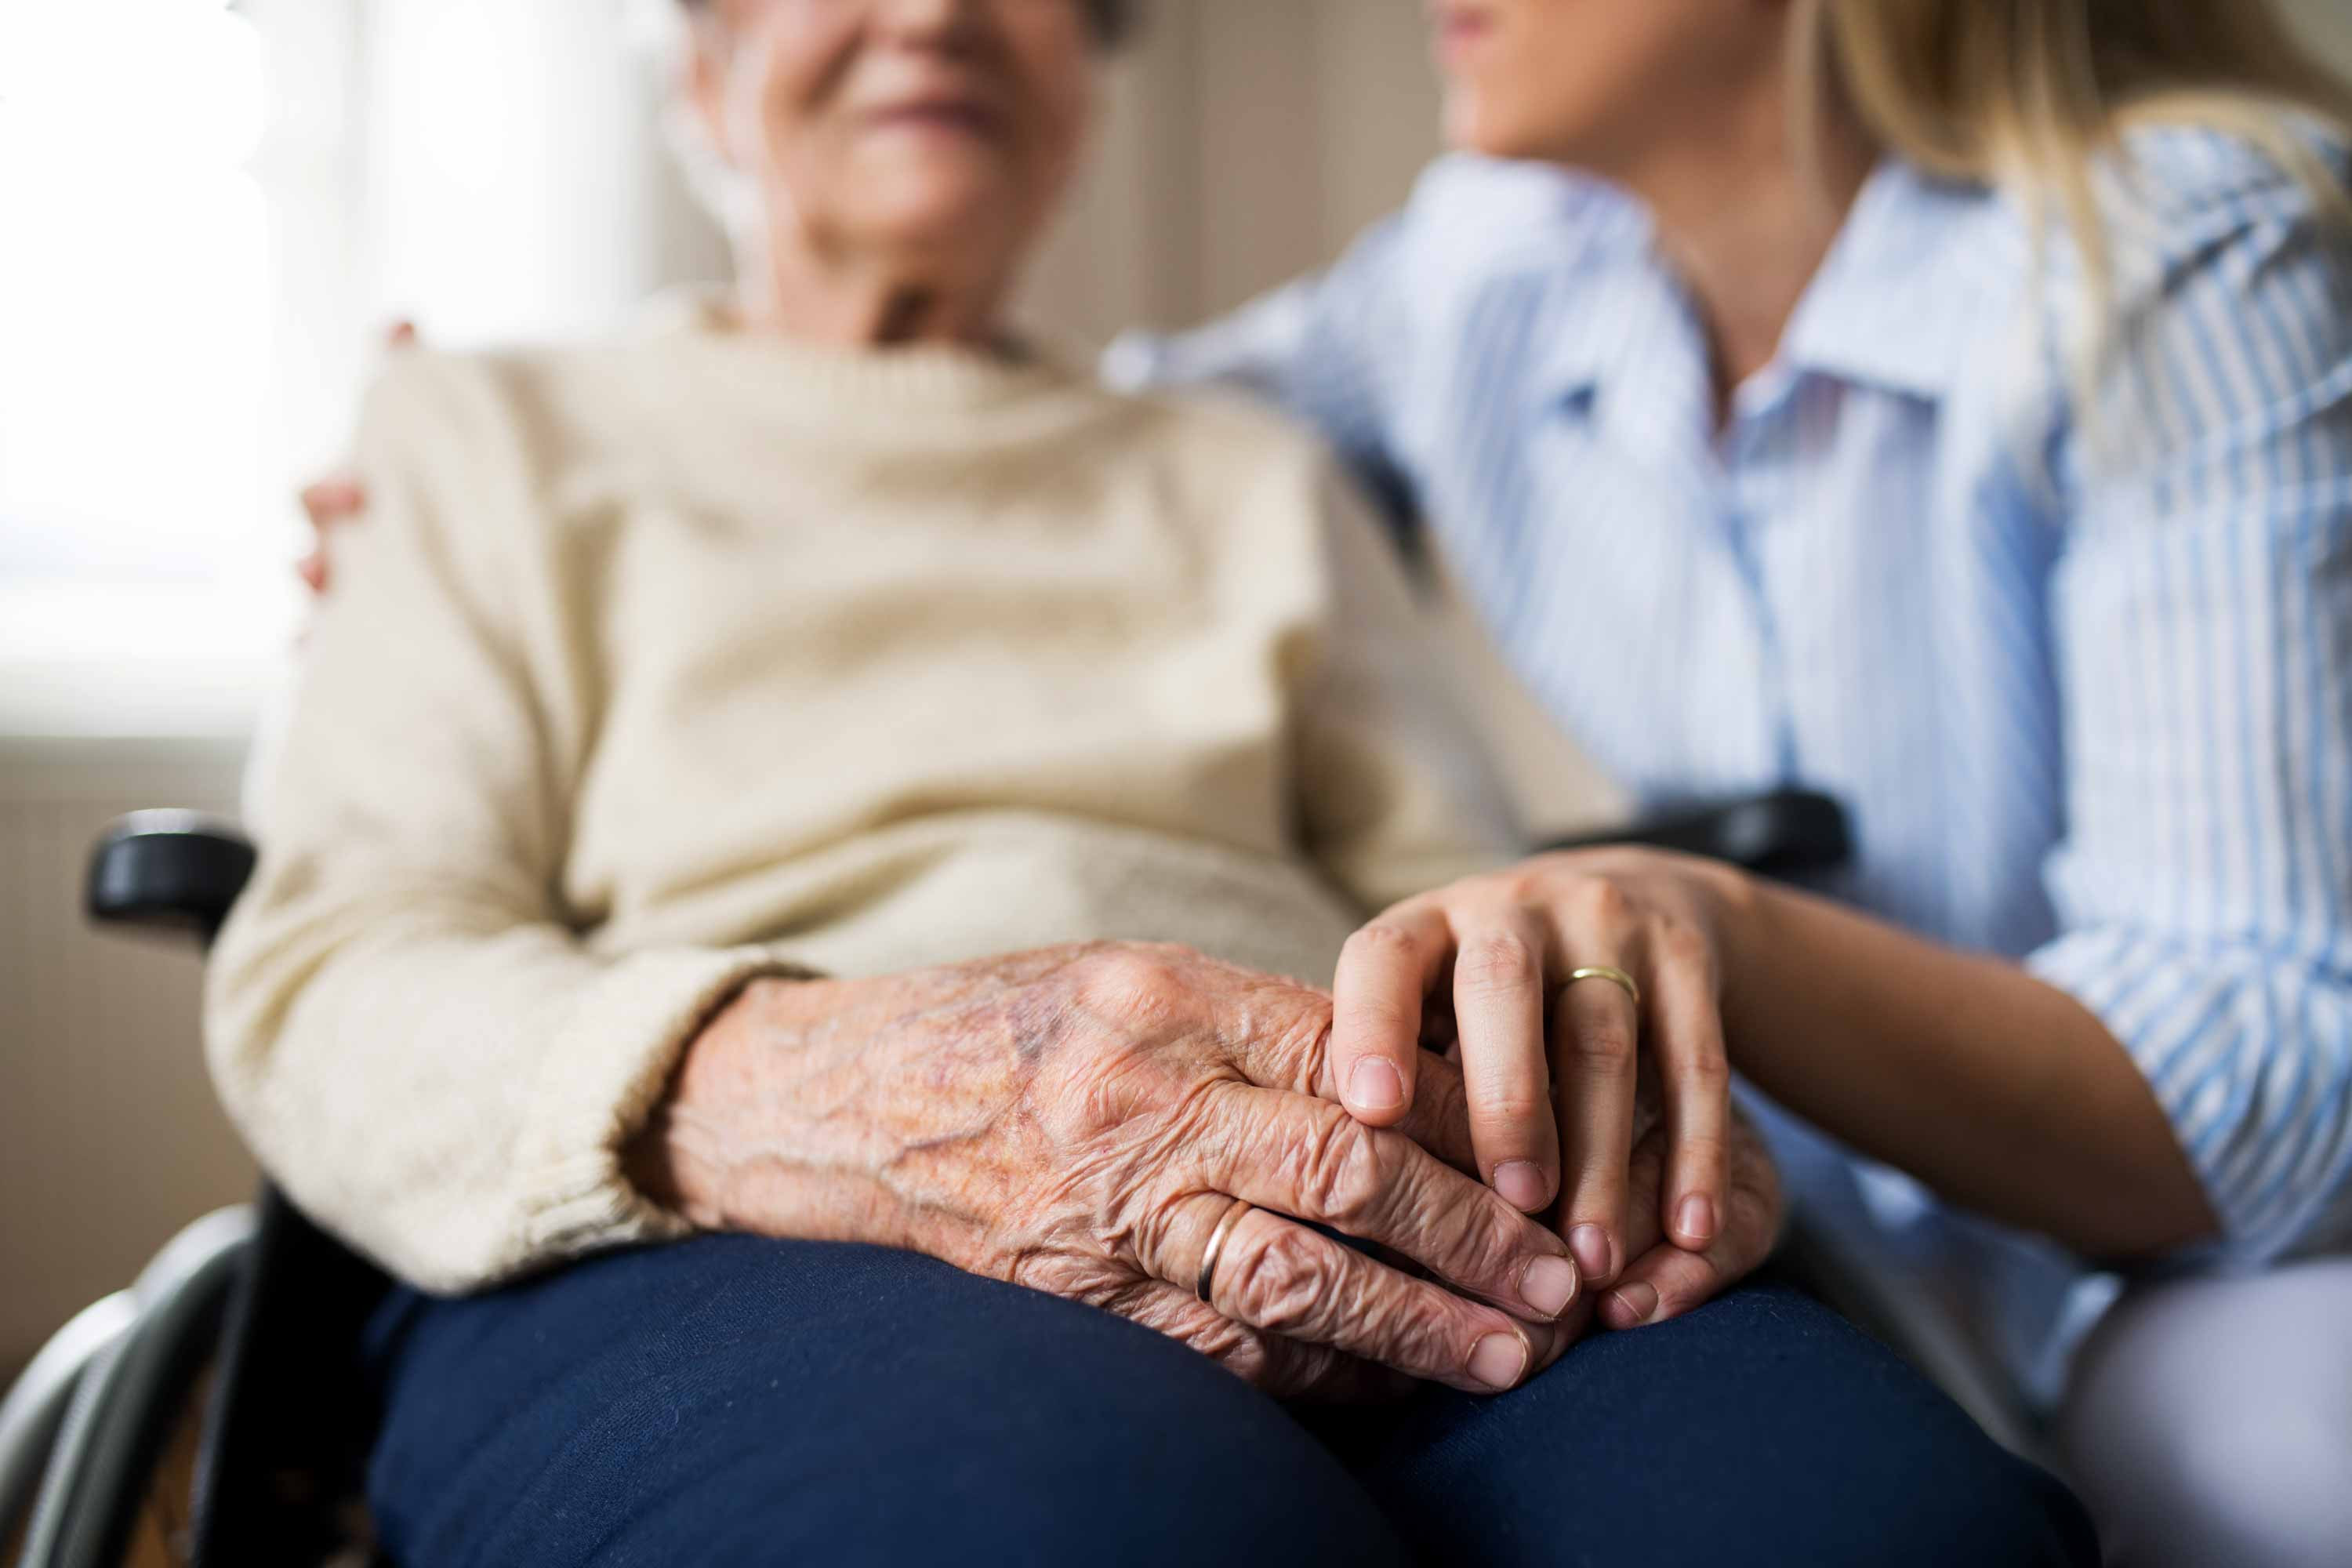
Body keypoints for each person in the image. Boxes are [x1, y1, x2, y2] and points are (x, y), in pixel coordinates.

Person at [222, 1, 2092, 1564]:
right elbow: (335, 974)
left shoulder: (1245, 468)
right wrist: (850, 1095)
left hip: (1346, 1181)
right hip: (735, 1218)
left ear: (1080, 92)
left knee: (1882, 1518)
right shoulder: (482, 432)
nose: (939, 11)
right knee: (1091, 1518)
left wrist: (1589, 1102)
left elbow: (1446, 894)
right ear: (702, 76)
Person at [1102, 2, 2352, 1564]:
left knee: (2277, 1462)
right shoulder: (1494, 270)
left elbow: (2287, 1081)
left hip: (2209, 1271)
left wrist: (1719, 933)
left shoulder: (2180, 245)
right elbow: (1099, 439)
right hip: (1810, 1248)